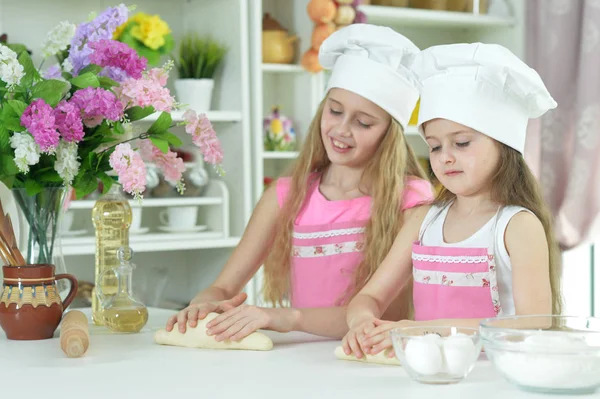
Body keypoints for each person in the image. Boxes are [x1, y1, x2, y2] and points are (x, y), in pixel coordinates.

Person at [164, 24, 434, 341]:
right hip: (301, 358)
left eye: (363, 122)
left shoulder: (411, 198)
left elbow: (384, 316)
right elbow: (223, 286)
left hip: (371, 358)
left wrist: (286, 318)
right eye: (335, 111)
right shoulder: (286, 195)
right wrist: (204, 305)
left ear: (389, 135)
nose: (342, 130)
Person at [342, 43, 563, 358]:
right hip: (429, 373)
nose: (445, 158)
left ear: (504, 144)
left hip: (494, 378)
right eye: (434, 146)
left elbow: (532, 324)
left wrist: (419, 330)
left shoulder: (516, 226)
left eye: (461, 143)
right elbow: (369, 298)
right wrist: (362, 322)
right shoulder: (423, 221)